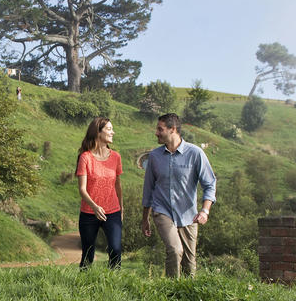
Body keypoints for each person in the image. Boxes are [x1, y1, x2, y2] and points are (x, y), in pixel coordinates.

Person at [141, 113, 217, 278]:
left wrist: (205, 211)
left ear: (172, 129)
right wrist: (145, 218)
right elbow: (148, 189)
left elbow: (210, 184)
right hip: (162, 211)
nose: (156, 133)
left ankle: (187, 293)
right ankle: (170, 290)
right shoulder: (154, 156)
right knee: (175, 251)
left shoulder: (195, 154)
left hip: (188, 215)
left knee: (189, 265)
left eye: (160, 129)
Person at [76, 117, 123, 269]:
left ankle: (114, 284)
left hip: (113, 211)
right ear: (98, 132)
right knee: (88, 254)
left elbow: (118, 185)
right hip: (89, 212)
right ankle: (83, 286)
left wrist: (121, 209)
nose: (112, 132)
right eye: (109, 129)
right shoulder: (85, 158)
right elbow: (82, 189)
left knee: (116, 249)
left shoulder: (116, 157)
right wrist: (95, 207)